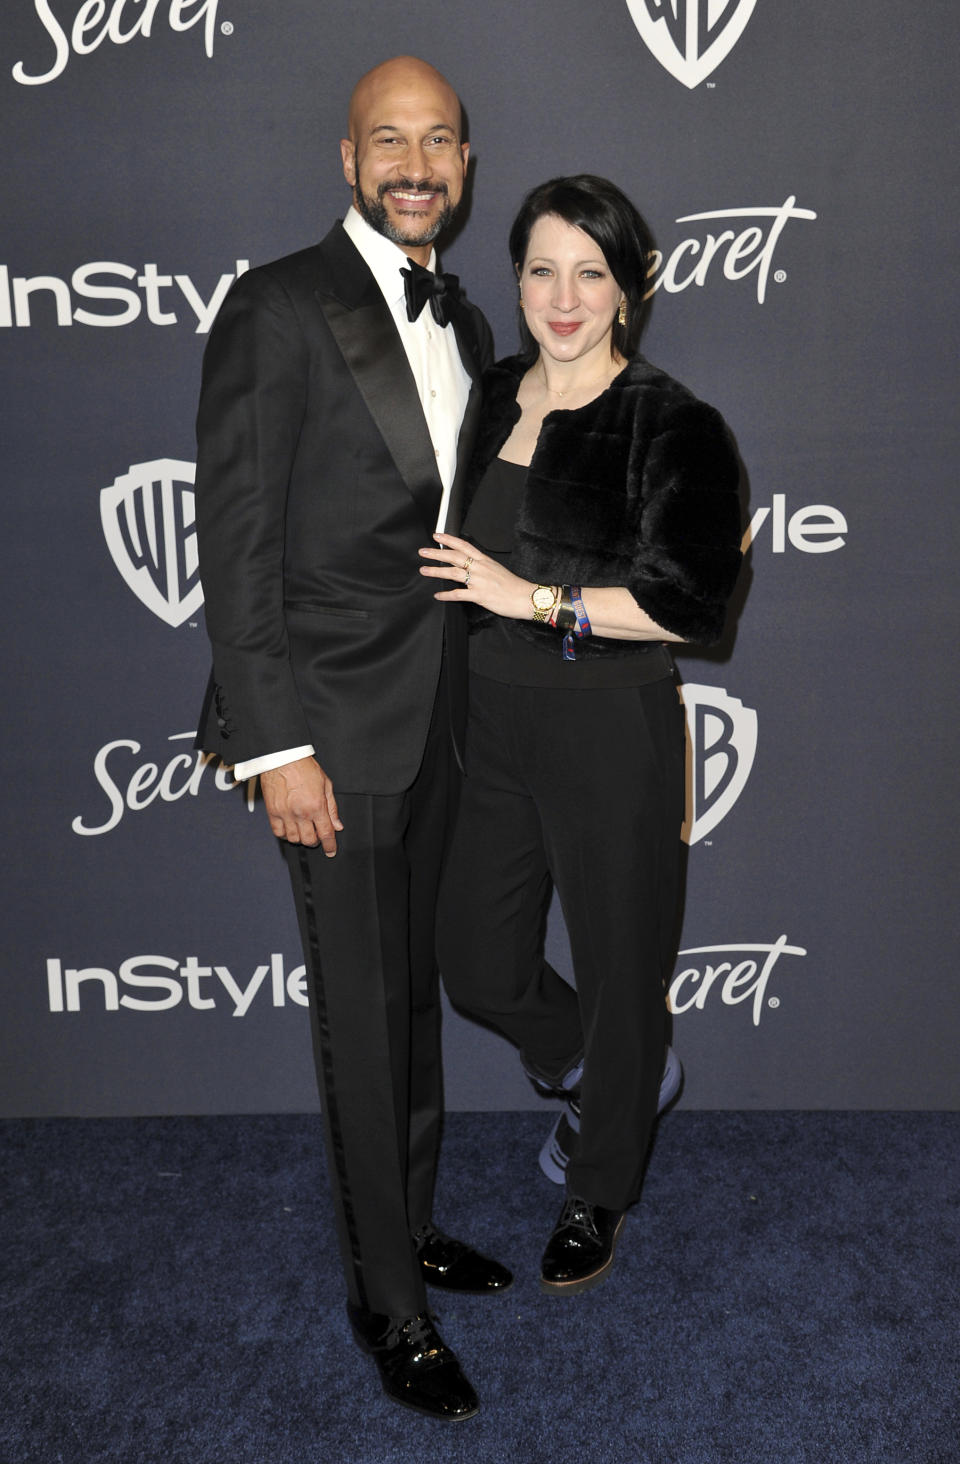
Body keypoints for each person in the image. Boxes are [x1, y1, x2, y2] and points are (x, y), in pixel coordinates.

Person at [193, 57, 509, 1423]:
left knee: (411, 1011)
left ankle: (411, 1227)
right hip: (329, 728)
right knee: (361, 1020)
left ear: (467, 159)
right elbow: (237, 543)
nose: (417, 161)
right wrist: (278, 750)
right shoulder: (276, 306)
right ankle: (386, 1300)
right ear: (346, 158)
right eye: (392, 139)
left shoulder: (473, 316)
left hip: (440, 717)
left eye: (439, 138)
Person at [420, 174, 743, 1296]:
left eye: (590, 272)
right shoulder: (496, 392)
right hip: (491, 722)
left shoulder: (674, 423)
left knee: (622, 971)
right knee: (475, 957)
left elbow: (688, 605)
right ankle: (606, 1072)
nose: (564, 297)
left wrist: (534, 599)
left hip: (609, 721)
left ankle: (600, 1183)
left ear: (630, 288)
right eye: (542, 269)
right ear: (516, 278)